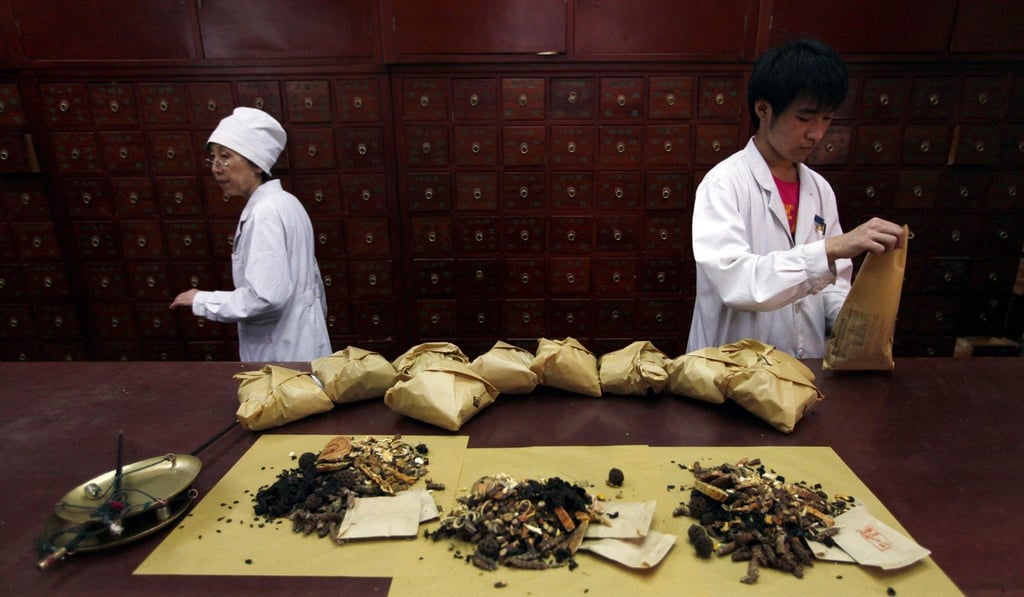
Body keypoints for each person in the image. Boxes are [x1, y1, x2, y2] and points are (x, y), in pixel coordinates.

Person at [687, 39, 905, 358]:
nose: (817, 133)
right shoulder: (723, 184)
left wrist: (852, 323)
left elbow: (834, 281)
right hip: (734, 370)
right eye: (805, 118)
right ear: (763, 109)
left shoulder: (819, 190)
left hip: (806, 370)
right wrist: (830, 248)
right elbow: (738, 283)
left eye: (827, 119)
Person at [169, 107, 331, 362]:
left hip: (282, 352)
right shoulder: (287, 202)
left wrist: (201, 300)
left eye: (225, 157)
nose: (216, 168)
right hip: (304, 342)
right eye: (212, 158)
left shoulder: (265, 213)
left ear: (257, 164)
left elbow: (266, 297)